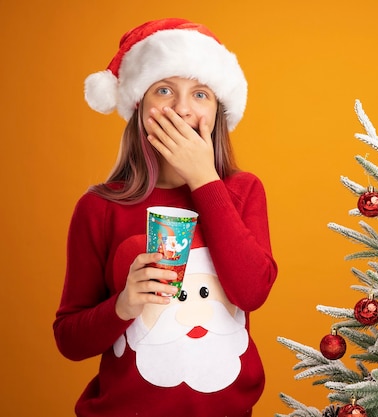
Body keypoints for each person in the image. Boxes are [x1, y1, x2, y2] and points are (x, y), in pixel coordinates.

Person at [53, 18, 278, 417]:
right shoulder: (100, 207)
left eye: (200, 94)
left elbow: (252, 292)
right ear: (139, 106)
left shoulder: (244, 192)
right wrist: (122, 305)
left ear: (219, 111)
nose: (181, 108)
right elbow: (70, 340)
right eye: (164, 90)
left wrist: (204, 179)